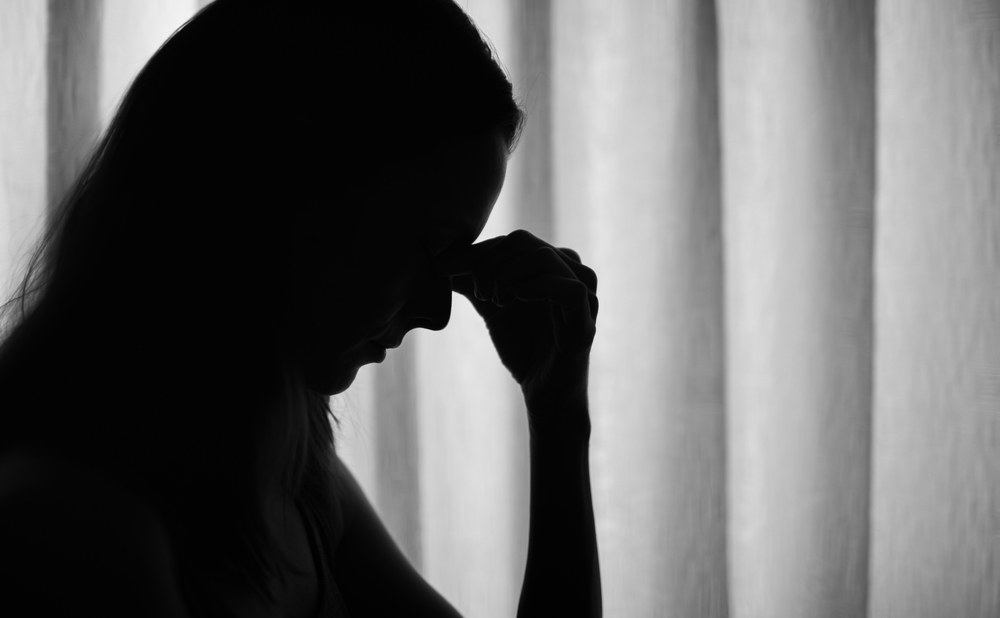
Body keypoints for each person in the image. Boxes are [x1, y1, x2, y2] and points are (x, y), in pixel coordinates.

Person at [0, 0, 601, 616]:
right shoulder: (71, 532)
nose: (437, 312)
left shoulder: (300, 484)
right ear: (279, 197)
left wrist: (558, 413)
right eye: (429, 249)